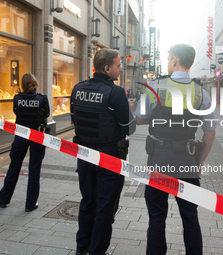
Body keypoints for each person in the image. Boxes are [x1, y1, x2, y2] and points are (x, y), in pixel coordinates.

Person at [135, 44, 216, 255]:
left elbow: (140, 118)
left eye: (169, 57)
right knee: (189, 215)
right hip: (188, 160)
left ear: (174, 60)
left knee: (157, 214)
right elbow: (209, 132)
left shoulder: (157, 86)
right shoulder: (201, 92)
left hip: (159, 160)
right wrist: (200, 161)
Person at [71, 48, 136, 255]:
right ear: (107, 68)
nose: (121, 69)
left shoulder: (77, 88)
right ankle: (97, 251)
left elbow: (75, 119)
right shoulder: (115, 92)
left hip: (84, 155)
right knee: (105, 208)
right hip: (109, 158)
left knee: (88, 201)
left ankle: (82, 248)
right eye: (118, 65)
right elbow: (129, 127)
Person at [0, 73, 50, 212]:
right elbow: (47, 114)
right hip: (37, 135)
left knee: (14, 166)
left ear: (22, 85)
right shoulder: (42, 99)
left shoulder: (17, 98)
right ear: (35, 83)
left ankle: (3, 199)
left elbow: (16, 112)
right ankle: (30, 204)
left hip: (20, 135)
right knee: (34, 170)